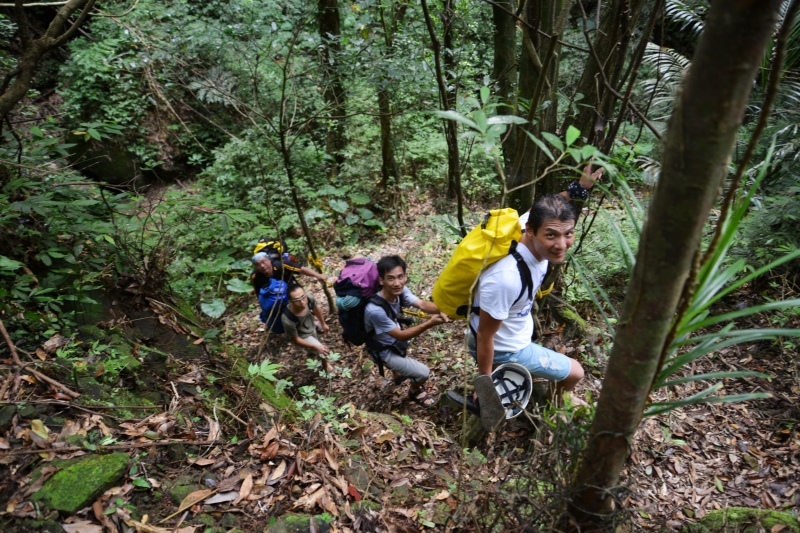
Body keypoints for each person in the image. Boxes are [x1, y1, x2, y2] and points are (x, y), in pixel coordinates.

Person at [468, 164, 602, 405]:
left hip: (509, 332)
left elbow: (541, 209)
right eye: (551, 235)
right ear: (531, 231)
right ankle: (557, 402)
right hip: (504, 348)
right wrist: (484, 385)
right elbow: (485, 336)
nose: (562, 244)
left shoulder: (524, 226)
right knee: (576, 372)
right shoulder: (506, 278)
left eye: (568, 233)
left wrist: (578, 188)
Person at [364, 255, 449, 407]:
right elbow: (401, 336)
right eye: (390, 278)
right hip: (383, 350)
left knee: (402, 348)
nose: (397, 283)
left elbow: (422, 305)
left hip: (390, 340)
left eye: (400, 277)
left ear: (405, 276)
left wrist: (447, 310)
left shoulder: (399, 291)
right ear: (381, 280)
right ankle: (414, 391)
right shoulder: (374, 310)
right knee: (423, 373)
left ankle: (397, 373)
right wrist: (429, 323)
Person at [281, 284, 333, 373]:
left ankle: (311, 350)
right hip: (302, 335)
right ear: (290, 302)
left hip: (311, 326)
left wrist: (323, 323)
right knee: (322, 351)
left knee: (315, 339)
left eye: (303, 297)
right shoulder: (287, 319)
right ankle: (326, 365)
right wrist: (315, 346)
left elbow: (316, 309)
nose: (302, 302)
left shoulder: (308, 298)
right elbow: (295, 339)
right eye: (297, 300)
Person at [250, 252, 327, 294]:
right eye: (258, 264)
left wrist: (317, 275)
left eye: (263, 262)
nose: (262, 266)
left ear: (269, 260)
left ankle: (321, 322)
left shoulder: (281, 265)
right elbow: (258, 293)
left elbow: (301, 269)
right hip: (274, 297)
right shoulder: (255, 276)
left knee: (308, 300)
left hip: (291, 289)